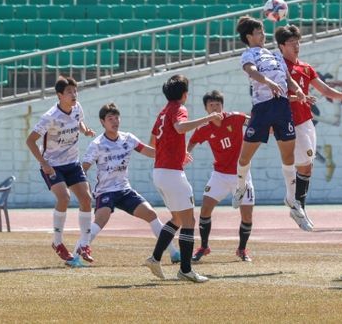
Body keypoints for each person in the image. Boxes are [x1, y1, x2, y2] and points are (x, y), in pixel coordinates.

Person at [232, 16, 313, 232]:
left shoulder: (276, 54)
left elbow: (288, 79)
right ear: (249, 36)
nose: (263, 35)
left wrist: (298, 90)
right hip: (262, 108)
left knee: (289, 157)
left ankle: (292, 201)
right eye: (259, 32)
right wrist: (268, 82)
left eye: (262, 31)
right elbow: (251, 71)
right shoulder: (248, 54)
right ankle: (240, 187)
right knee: (245, 156)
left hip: (282, 108)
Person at [144, 74, 223, 283]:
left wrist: (177, 153)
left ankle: (155, 258)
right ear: (185, 94)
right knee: (189, 221)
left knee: (178, 219)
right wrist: (208, 118)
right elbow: (180, 127)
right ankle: (186, 270)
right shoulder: (179, 108)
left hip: (160, 171)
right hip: (171, 173)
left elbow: (153, 141)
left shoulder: (163, 112)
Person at [82, 103, 180, 264]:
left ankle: (174, 253)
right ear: (102, 122)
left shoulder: (128, 138)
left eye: (116, 118)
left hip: (124, 190)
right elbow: (83, 168)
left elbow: (149, 151)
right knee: (100, 221)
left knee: (151, 214)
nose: (115, 121)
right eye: (110, 118)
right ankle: (76, 256)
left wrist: (172, 154)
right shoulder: (97, 144)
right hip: (105, 191)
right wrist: (82, 189)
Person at [275, 24, 342, 223]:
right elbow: (275, 96)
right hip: (290, 122)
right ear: (281, 46)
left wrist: (341, 95)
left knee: (307, 166)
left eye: (297, 42)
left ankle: (297, 204)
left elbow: (324, 89)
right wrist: (297, 98)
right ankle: (296, 204)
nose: (296, 46)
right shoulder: (279, 68)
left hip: (307, 121)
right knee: (303, 164)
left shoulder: (306, 67)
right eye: (291, 42)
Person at [25, 76, 96, 265]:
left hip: (72, 163)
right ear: (59, 95)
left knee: (86, 199)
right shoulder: (50, 117)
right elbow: (30, 141)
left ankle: (84, 244)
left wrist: (85, 130)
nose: (74, 94)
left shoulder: (77, 107)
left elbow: (78, 121)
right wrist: (44, 163)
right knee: (64, 198)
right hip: (53, 164)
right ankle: (57, 243)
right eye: (69, 92)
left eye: (75, 90)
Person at [187, 90, 254, 262]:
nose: (215, 108)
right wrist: (186, 153)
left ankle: (242, 249)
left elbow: (253, 122)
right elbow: (192, 141)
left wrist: (269, 126)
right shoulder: (204, 128)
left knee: (247, 216)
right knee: (205, 209)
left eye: (217, 104)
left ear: (222, 106)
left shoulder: (235, 118)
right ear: (206, 109)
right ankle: (204, 247)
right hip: (219, 175)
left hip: (241, 175)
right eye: (211, 105)